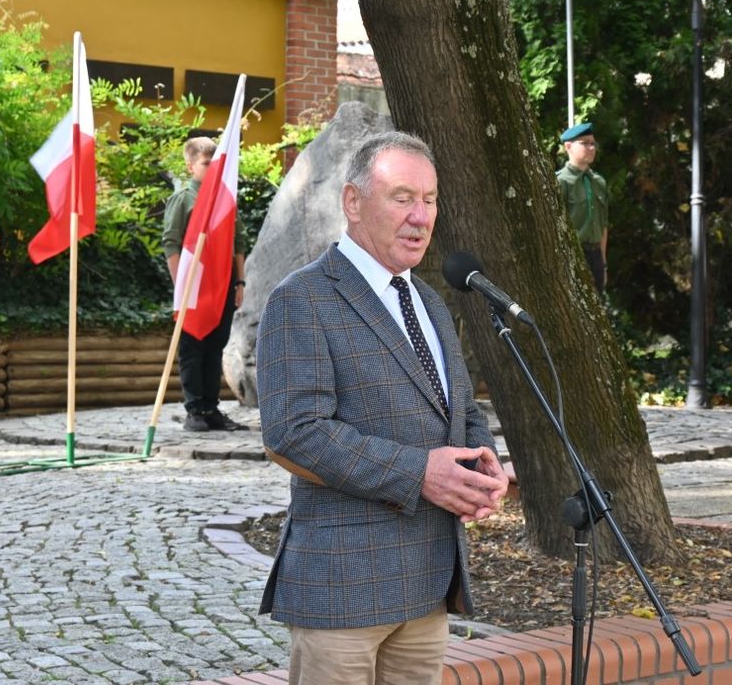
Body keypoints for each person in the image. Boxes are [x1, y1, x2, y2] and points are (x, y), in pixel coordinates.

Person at [255, 131, 509, 685]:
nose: (421, 216)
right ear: (353, 202)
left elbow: (461, 411)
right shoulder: (302, 299)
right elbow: (294, 433)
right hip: (342, 586)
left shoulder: (433, 303)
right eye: (401, 198)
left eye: (430, 199)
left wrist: (481, 463)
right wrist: (420, 472)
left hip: (427, 582)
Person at [162, 136, 248, 432]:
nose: (212, 169)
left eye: (216, 164)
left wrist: (240, 281)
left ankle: (211, 408)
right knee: (193, 347)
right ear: (190, 167)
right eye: (206, 164)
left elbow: (238, 242)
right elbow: (171, 244)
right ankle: (194, 409)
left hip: (222, 282)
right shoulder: (184, 199)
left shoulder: (225, 199)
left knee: (215, 345)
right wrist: (180, 286)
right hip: (194, 285)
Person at [556, 122, 608, 294]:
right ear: (568, 146)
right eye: (585, 143)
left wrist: (603, 263)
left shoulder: (599, 182)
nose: (591, 147)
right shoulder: (561, 181)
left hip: (596, 257)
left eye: (593, 143)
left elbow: (603, 226)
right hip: (573, 255)